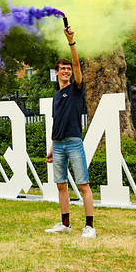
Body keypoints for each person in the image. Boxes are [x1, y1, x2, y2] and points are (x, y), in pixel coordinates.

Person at [45, 25, 96, 238]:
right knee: (61, 185)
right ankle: (65, 223)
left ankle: (90, 227)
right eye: (62, 69)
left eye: (68, 68)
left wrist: (71, 41)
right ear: (56, 73)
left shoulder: (76, 88)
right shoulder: (56, 97)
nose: (66, 71)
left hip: (74, 142)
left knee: (83, 184)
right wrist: (51, 147)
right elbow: (57, 123)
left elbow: (77, 63)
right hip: (58, 144)